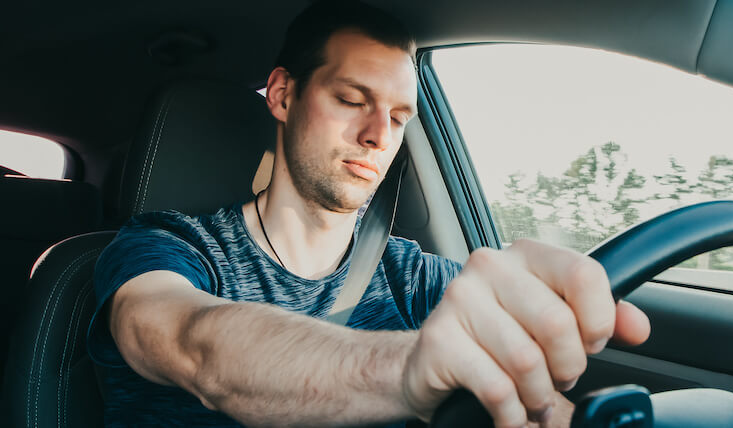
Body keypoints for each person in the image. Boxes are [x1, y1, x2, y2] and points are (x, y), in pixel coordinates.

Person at [86, 1, 650, 427]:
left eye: (400, 116)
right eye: (352, 100)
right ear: (282, 95)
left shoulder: (416, 279)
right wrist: (405, 369)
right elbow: (192, 344)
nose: (379, 135)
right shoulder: (166, 247)